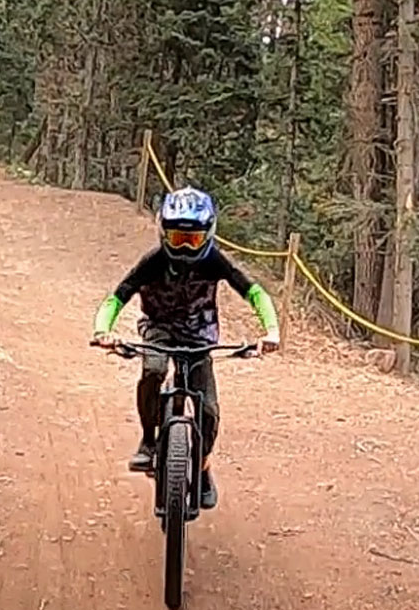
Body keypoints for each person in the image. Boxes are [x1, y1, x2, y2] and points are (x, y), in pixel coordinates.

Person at [88, 187, 281, 509]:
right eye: (178, 238)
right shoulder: (153, 261)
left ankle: (203, 468)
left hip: (199, 337)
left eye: (193, 239)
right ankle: (149, 440)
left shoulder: (216, 260)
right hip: (158, 329)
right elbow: (117, 296)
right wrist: (102, 329)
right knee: (154, 369)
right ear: (164, 232)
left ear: (208, 234)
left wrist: (271, 330)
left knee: (208, 410)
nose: (185, 247)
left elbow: (254, 293)